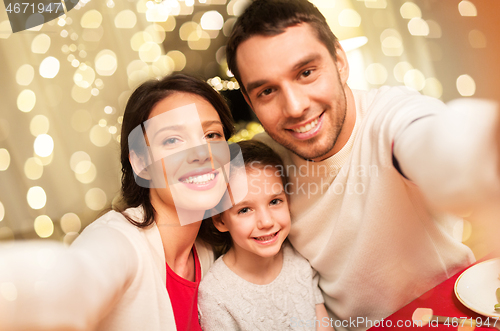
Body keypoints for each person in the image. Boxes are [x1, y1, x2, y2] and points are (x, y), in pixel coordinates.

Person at [225, 0, 500, 329]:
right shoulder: (262, 164)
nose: (295, 107)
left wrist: (483, 145)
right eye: (268, 91)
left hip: (445, 317)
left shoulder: (392, 117)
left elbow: (434, 144)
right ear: (249, 100)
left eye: (307, 73)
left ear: (340, 61)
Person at [0, 74, 235, 331]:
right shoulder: (119, 240)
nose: (201, 154)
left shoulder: (208, 249)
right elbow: (79, 275)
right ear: (141, 163)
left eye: (212, 135)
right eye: (172, 140)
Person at [197, 140, 333, 331]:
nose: (266, 222)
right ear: (220, 220)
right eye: (245, 210)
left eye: (275, 201)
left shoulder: (299, 260)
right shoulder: (215, 296)